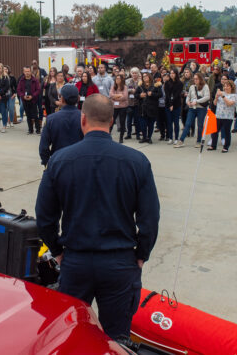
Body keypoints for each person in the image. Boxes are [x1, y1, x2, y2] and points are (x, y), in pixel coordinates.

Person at [35, 94, 160, 342]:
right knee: (116, 339)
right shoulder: (137, 162)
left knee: (71, 336)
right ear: (112, 121)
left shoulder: (59, 161)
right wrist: (141, 255)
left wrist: (57, 250)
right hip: (120, 264)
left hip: (76, 262)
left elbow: (44, 216)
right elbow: (150, 218)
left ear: (83, 120)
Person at [39, 84, 83, 166]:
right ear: (78, 99)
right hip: (80, 163)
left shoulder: (51, 119)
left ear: (61, 99)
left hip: (58, 162)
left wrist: (46, 162)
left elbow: (43, 147)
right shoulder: (85, 118)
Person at [174, 73, 210, 148]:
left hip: (201, 108)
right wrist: (187, 101)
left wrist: (197, 101)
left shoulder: (205, 86)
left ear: (200, 79)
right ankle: (181, 140)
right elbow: (189, 96)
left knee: (200, 125)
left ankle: (198, 141)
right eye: (194, 79)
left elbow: (207, 97)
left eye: (197, 79)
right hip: (192, 108)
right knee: (187, 124)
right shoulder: (192, 87)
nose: (195, 80)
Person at [211, 82, 237, 152]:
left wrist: (223, 96)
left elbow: (229, 103)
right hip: (218, 115)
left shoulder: (234, 96)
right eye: (225, 86)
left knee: (226, 132)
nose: (226, 88)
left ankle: (226, 147)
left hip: (227, 117)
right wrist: (216, 97)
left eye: (228, 86)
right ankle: (213, 145)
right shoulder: (221, 94)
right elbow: (215, 103)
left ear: (231, 87)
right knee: (214, 131)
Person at [136, 72, 161, 144]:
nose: (144, 78)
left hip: (152, 108)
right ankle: (144, 137)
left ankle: (149, 137)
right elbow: (136, 94)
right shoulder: (140, 86)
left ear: (149, 77)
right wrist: (140, 95)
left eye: (146, 76)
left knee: (150, 124)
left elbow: (160, 94)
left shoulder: (155, 85)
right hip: (142, 108)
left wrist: (152, 94)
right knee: (143, 124)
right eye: (143, 77)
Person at [17, 66, 42, 135]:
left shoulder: (35, 80)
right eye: (26, 71)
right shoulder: (21, 80)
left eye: (28, 71)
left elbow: (38, 90)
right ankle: (30, 130)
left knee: (35, 115)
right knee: (28, 116)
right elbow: (19, 90)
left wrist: (32, 96)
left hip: (33, 100)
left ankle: (38, 130)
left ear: (30, 72)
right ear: (23, 72)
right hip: (25, 100)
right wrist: (23, 96)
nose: (27, 73)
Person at [164, 69, 183, 145]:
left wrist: (173, 104)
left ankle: (176, 138)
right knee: (169, 122)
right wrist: (170, 104)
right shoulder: (167, 83)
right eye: (170, 73)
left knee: (176, 122)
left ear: (176, 74)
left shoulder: (180, 83)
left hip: (176, 104)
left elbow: (177, 94)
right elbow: (167, 94)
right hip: (168, 104)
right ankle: (170, 137)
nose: (172, 75)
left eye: (173, 73)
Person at [109, 74, 130, 143]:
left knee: (122, 121)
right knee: (111, 121)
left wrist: (115, 97)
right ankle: (108, 135)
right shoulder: (113, 87)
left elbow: (125, 97)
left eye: (119, 78)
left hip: (123, 107)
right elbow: (110, 95)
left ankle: (121, 137)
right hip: (115, 107)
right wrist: (119, 95)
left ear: (122, 80)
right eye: (116, 78)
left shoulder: (125, 87)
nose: (117, 80)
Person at [125, 68, 141, 141]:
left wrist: (137, 91)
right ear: (131, 74)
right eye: (133, 73)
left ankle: (138, 134)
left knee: (137, 120)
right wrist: (131, 90)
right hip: (129, 103)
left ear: (138, 74)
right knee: (129, 120)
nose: (134, 74)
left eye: (136, 73)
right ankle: (129, 134)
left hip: (137, 103)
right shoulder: (127, 81)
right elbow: (124, 90)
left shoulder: (140, 81)